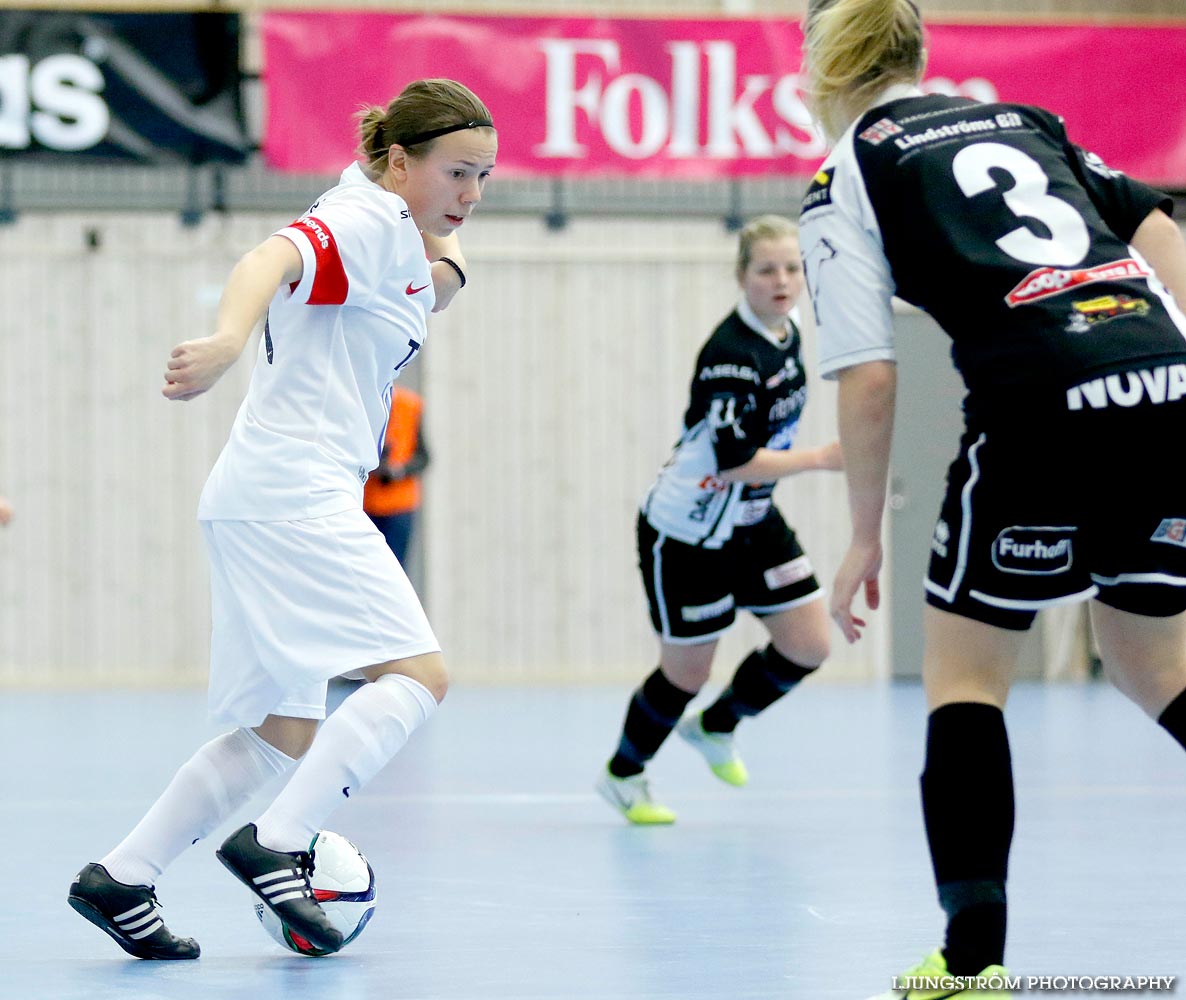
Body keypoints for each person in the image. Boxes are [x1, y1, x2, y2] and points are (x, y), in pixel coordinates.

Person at [798, 1, 1186, 995]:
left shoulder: (848, 172)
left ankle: (971, 963)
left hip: (1037, 403)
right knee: (1152, 666)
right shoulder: (1023, 118)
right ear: (922, 52)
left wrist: (859, 536)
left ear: (818, 67)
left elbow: (870, 378)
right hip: (1160, 380)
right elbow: (1153, 225)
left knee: (966, 680)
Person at [67, 78, 497, 959]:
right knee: (417, 676)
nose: (472, 194)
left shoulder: (394, 236)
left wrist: (449, 257)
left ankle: (124, 876)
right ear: (399, 161)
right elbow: (272, 258)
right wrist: (227, 337)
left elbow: (435, 283)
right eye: (458, 173)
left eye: (484, 177)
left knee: (280, 733)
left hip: (264, 493)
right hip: (294, 492)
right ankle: (279, 843)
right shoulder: (367, 220)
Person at [596, 215, 843, 825]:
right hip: (688, 531)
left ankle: (716, 727)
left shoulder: (789, 331)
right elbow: (733, 461)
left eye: (791, 268)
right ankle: (623, 776)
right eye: (766, 270)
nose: (781, 280)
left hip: (753, 519)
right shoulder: (732, 356)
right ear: (742, 277)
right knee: (688, 671)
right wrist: (823, 459)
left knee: (809, 643)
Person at [364, 386, 429, 565]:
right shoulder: (364, 402)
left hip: (399, 506)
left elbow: (423, 457)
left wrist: (398, 471)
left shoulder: (410, 405)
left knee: (395, 566)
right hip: (368, 505)